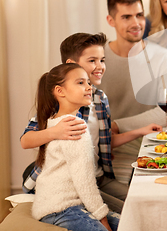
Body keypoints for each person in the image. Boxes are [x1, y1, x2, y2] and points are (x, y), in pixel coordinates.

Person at [21, 32, 162, 213]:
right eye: (92, 61)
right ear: (71, 64)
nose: (100, 66)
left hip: (98, 177)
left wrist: (141, 131)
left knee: (144, 201)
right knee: (131, 212)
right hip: (71, 183)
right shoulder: (60, 100)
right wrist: (55, 131)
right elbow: (26, 140)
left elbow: (106, 141)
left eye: (102, 60)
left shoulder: (100, 98)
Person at [99, 0, 167, 184]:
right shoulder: (96, 59)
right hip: (105, 152)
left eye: (139, 15)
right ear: (111, 21)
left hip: (151, 151)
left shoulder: (165, 59)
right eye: (126, 17)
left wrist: (118, 125)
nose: (136, 23)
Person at [31, 63, 120, 231]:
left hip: (70, 204)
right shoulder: (73, 127)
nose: (89, 87)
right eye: (80, 83)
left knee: (130, 224)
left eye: (88, 82)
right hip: (60, 208)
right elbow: (84, 181)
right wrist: (103, 218)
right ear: (60, 91)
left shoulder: (57, 122)